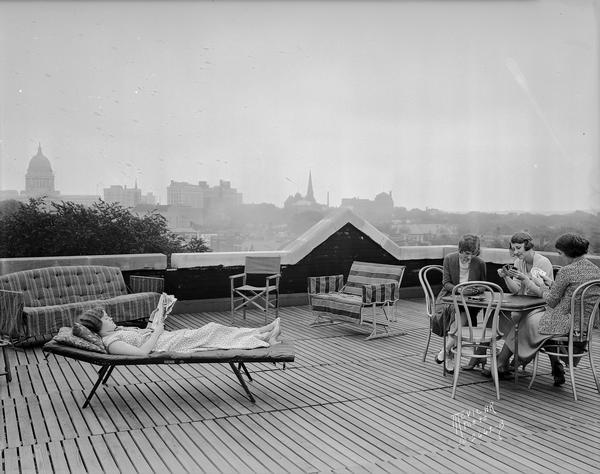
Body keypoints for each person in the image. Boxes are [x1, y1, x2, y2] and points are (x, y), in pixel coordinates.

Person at [487, 233, 600, 386]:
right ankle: (519, 362)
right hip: (583, 325)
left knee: (523, 323)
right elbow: (572, 293)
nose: (559, 256)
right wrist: (550, 283)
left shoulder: (566, 271)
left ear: (568, 252)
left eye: (560, 253)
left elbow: (551, 300)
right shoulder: (595, 270)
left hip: (566, 323)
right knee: (533, 320)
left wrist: (529, 282)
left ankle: (501, 362)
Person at [78, 307, 282, 356]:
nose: (110, 318)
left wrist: (155, 322)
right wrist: (157, 333)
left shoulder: (116, 332)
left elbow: (141, 338)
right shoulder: (111, 343)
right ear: (97, 326)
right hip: (168, 343)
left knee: (214, 332)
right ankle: (263, 334)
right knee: (213, 330)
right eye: (106, 318)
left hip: (167, 337)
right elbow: (141, 353)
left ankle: (262, 334)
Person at [434, 234, 487, 373]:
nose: (468, 257)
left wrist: (473, 291)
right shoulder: (449, 259)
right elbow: (446, 283)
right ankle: (449, 354)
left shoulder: (480, 263)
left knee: (462, 314)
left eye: (472, 254)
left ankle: (445, 351)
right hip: (449, 297)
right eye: (466, 253)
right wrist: (459, 290)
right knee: (458, 315)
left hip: (470, 301)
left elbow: (483, 286)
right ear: (460, 250)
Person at [497, 231, 554, 296]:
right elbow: (516, 291)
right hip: (527, 302)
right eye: (513, 249)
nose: (515, 252)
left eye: (518, 248)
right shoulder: (518, 262)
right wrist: (506, 277)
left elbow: (542, 293)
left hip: (543, 304)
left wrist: (524, 279)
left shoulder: (543, 262)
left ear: (528, 246)